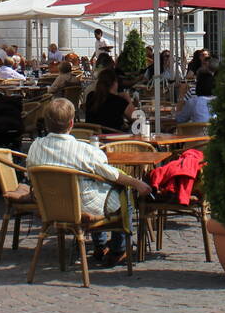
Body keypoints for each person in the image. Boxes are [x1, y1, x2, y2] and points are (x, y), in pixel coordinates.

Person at [28, 97, 151, 267]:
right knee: (124, 193)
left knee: (94, 189)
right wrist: (136, 183)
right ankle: (119, 249)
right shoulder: (82, 150)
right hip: (82, 206)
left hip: (50, 206)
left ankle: (100, 247)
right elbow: (110, 173)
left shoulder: (34, 147)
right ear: (71, 123)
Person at [85, 68, 135, 132]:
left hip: (92, 137)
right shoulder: (119, 101)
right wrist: (128, 99)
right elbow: (136, 119)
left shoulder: (91, 96)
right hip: (114, 139)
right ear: (114, 83)